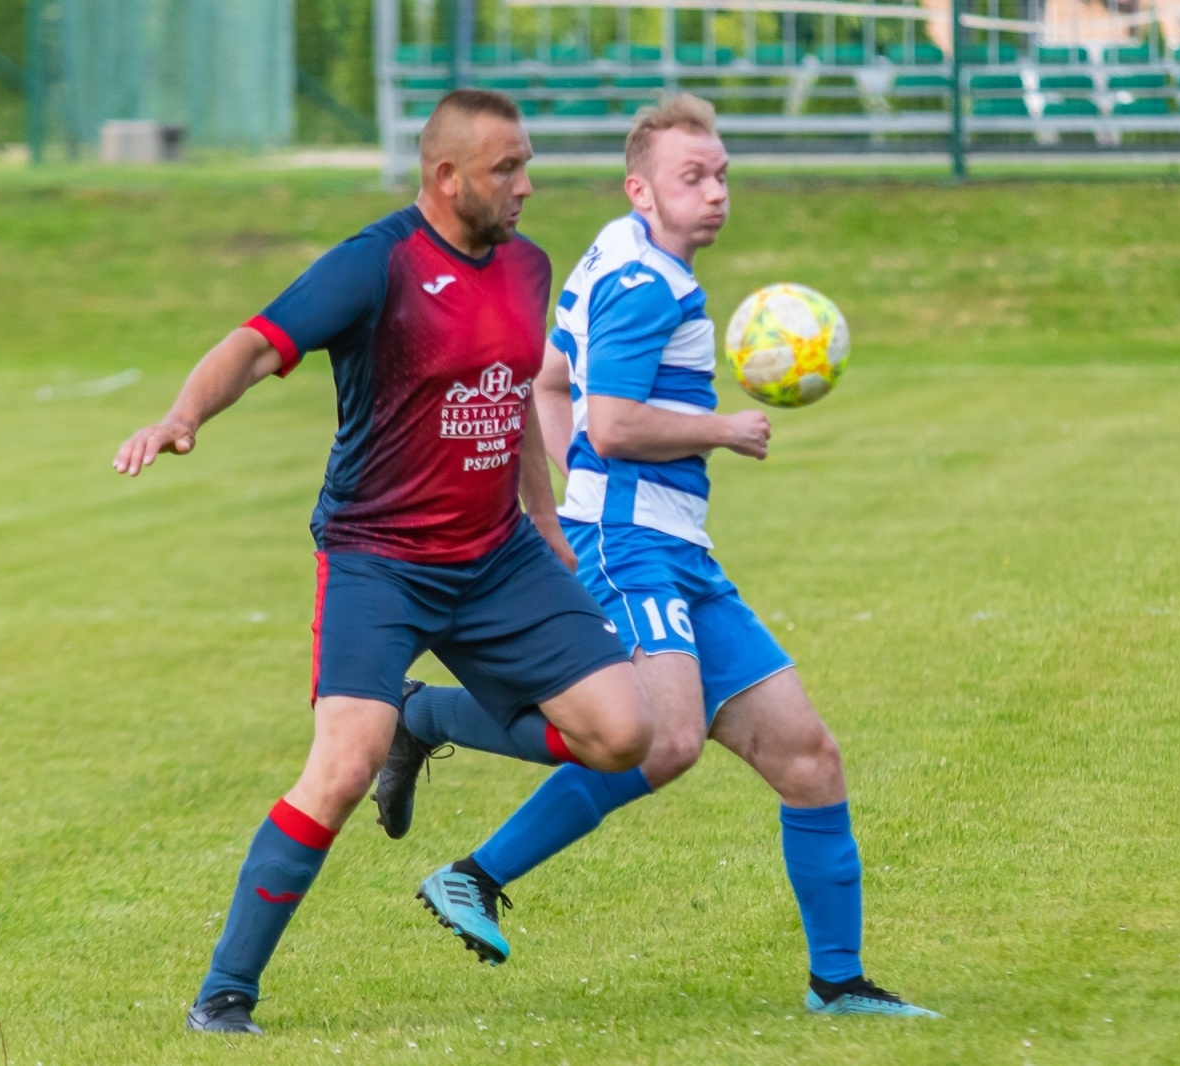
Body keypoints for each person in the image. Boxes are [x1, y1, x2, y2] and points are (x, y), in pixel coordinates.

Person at [374, 95, 938, 1019]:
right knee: (665, 739)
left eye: (720, 175)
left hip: (672, 548)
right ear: (643, 188)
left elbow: (550, 381)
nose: (715, 192)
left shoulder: (617, 250)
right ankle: (453, 809)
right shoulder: (651, 287)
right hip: (635, 550)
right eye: (693, 177)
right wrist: (722, 428)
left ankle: (839, 985)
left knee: (807, 757)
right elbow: (616, 422)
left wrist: (573, 477)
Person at [112, 90, 653, 1036]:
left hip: (497, 556)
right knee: (341, 765)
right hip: (379, 559)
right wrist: (181, 418)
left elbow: (510, 390)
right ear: (446, 178)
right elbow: (254, 343)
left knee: (623, 734)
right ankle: (225, 994)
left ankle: (425, 714)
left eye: (526, 164)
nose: (526, 185)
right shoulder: (380, 264)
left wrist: (543, 516)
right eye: (505, 170)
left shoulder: (527, 266)